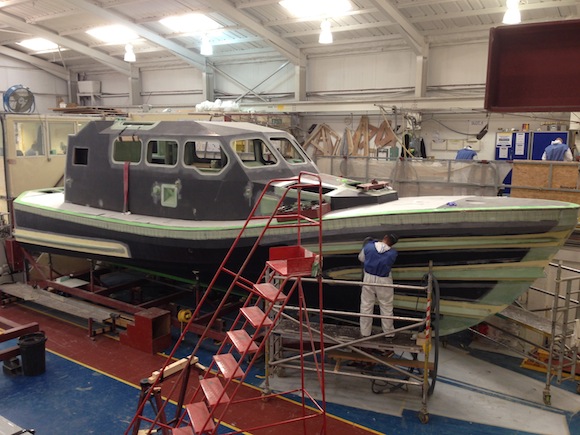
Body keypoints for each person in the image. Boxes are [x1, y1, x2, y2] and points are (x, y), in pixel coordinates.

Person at [358, 233, 399, 340]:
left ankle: (365, 332)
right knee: (386, 306)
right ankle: (389, 333)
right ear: (392, 244)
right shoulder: (393, 253)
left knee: (366, 305)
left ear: (385, 237)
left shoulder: (369, 246)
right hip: (384, 279)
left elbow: (361, 258)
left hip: (368, 277)